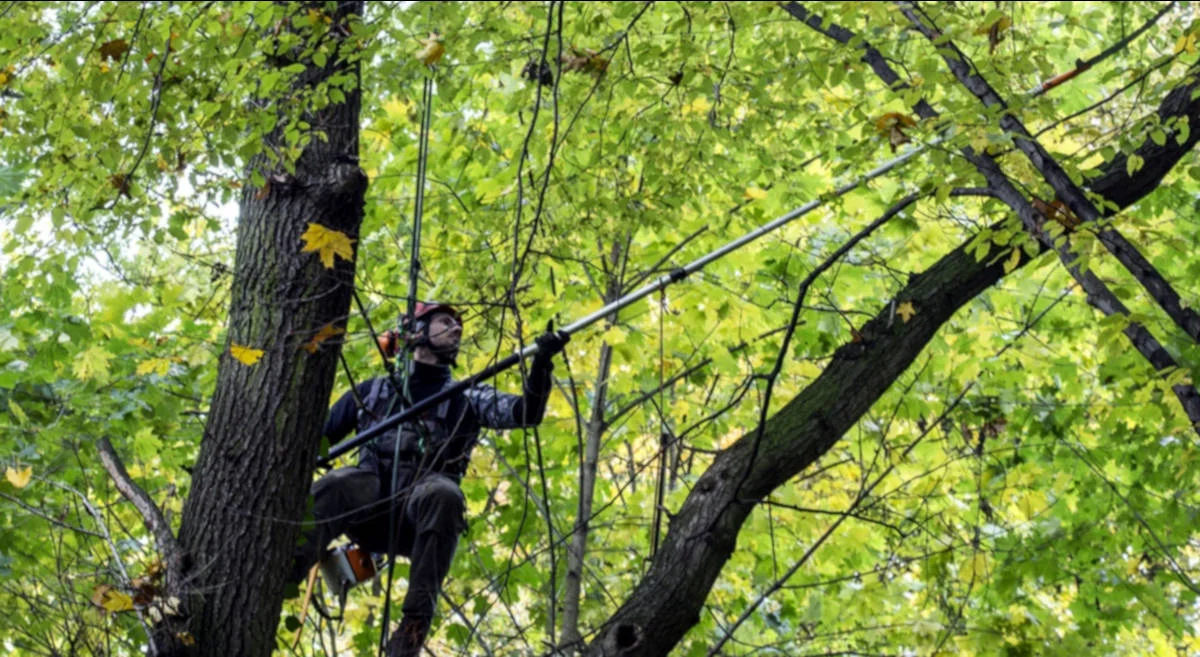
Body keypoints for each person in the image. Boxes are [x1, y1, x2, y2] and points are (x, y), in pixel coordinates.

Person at [290, 301, 568, 657]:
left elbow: (525, 413)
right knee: (336, 483)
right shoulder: (373, 391)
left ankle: (413, 628)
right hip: (369, 501)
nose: (456, 329)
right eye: (445, 322)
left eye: (458, 326)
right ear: (415, 332)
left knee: (444, 494)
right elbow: (319, 440)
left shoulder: (467, 395)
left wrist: (542, 365)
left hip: (421, 511)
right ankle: (281, 572)